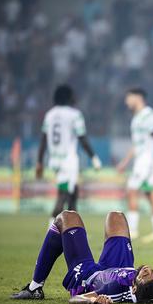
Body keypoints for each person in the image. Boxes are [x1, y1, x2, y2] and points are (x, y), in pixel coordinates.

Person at [10, 210, 153, 304]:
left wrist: (94, 301)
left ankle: (34, 288)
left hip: (88, 275)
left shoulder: (115, 292)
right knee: (116, 216)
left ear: (134, 287)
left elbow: (76, 299)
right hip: (119, 266)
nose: (150, 270)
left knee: (67, 217)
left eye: (145, 274)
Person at [36, 85, 102, 222]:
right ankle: (51, 234)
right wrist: (94, 158)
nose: (75, 98)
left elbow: (43, 140)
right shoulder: (74, 114)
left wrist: (39, 161)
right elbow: (82, 138)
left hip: (55, 160)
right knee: (63, 196)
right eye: (73, 95)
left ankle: (73, 233)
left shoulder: (50, 114)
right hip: (67, 160)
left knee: (73, 193)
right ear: (68, 96)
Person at [116, 88, 153, 243]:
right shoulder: (137, 117)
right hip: (143, 159)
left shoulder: (148, 115)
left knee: (131, 190)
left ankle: (132, 230)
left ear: (137, 97)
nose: (126, 102)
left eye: (128, 98)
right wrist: (125, 162)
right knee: (150, 194)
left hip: (147, 160)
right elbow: (136, 144)